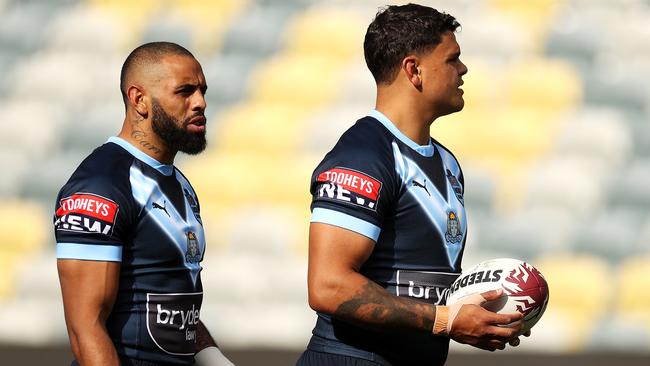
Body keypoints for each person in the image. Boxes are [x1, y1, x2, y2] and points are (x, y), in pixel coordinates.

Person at [297, 4, 527, 366]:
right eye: (453, 59)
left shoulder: (447, 162)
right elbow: (328, 285)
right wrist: (445, 320)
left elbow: (422, 282)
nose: (463, 69)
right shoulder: (362, 156)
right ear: (414, 69)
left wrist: (482, 310)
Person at [54, 42, 234, 366]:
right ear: (139, 99)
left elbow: (172, 303)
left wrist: (215, 359)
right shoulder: (100, 186)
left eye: (203, 91)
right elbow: (85, 328)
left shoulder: (179, 184)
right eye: (185, 91)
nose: (201, 103)